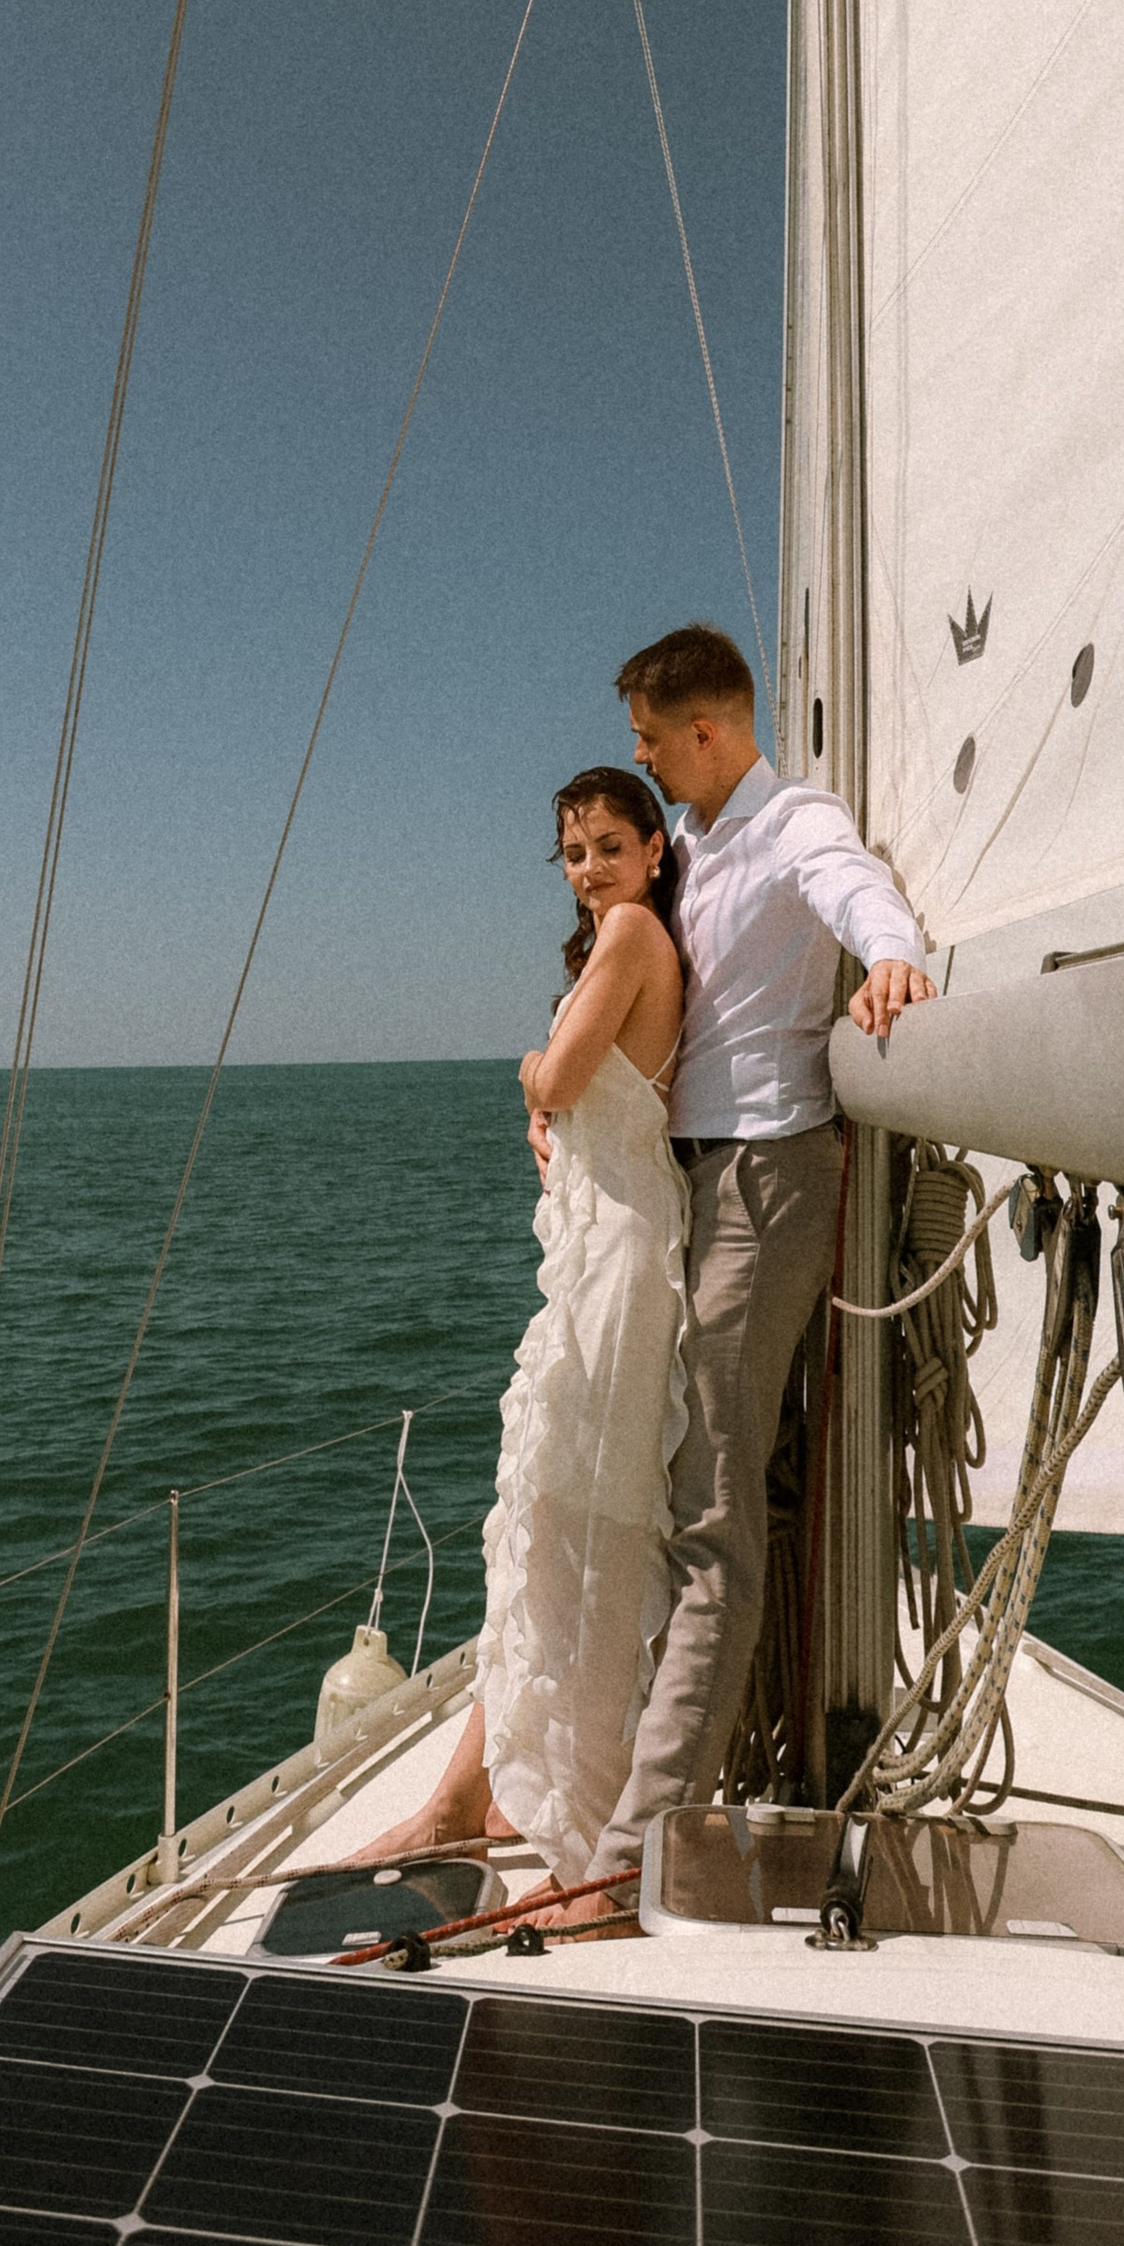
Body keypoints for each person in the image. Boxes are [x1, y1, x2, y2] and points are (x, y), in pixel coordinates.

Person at [585, 621, 932, 1890]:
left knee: (717, 1514)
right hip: (695, 1176)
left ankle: (639, 1855)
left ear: (709, 732)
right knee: (698, 1483)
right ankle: (680, 1777)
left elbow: (851, 882)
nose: (640, 758)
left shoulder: (790, 822)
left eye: (651, 738)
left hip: (765, 1175)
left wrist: (891, 953)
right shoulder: (699, 842)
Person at [349, 765, 689, 1881]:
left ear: (651, 846)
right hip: (592, 1256)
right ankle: (472, 1796)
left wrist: (527, 1076)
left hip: (618, 1272)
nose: (590, 871)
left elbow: (564, 1071)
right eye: (573, 853)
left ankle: (576, 1822)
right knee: (546, 1537)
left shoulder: (634, 933)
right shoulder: (617, 938)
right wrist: (551, 1106)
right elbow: (574, 1098)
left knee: (577, 1540)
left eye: (607, 845)